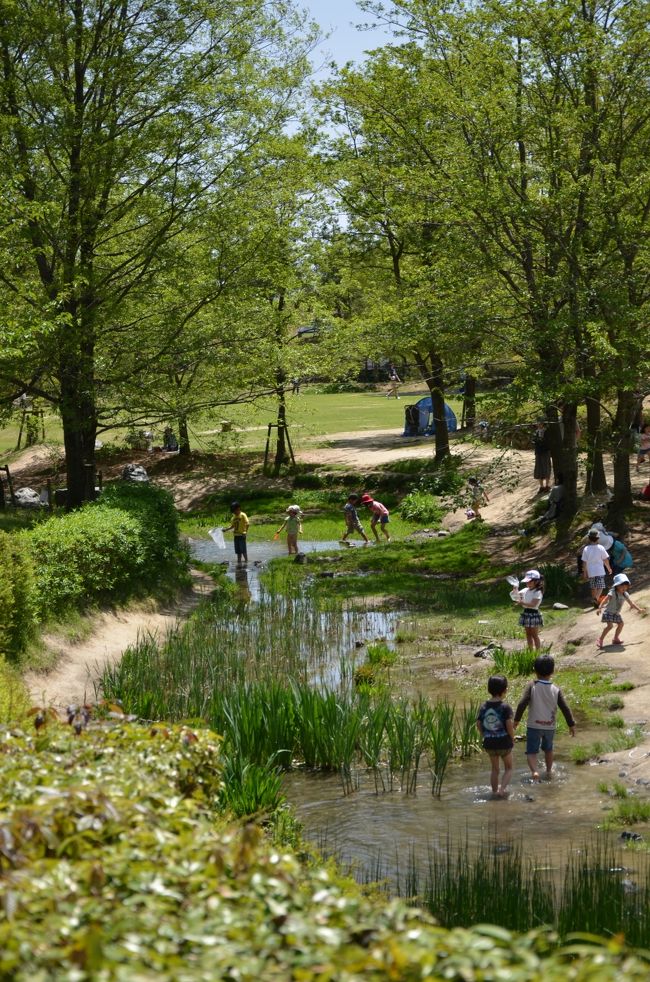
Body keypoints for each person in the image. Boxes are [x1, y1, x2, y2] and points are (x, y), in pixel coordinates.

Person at [514, 654, 576, 782]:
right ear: (552, 671)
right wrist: (571, 724)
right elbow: (565, 707)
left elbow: (522, 703)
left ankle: (535, 771)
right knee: (548, 749)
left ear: (535, 671)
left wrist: (516, 720)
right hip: (549, 726)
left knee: (532, 751)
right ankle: (548, 771)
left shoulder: (532, 686)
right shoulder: (556, 689)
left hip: (534, 726)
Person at [476, 675, 515, 798]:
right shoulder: (505, 707)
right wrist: (512, 736)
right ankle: (502, 790)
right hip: (504, 742)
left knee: (495, 769)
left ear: (489, 689)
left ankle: (494, 792)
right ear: (504, 690)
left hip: (490, 743)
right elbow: (509, 724)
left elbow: (478, 723)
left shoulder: (483, 707)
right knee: (509, 768)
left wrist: (485, 734)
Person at [596, 573, 645, 648]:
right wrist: (600, 607)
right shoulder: (612, 592)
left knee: (621, 624)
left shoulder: (625, 594)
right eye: (622, 586)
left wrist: (639, 609)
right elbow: (605, 600)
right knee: (610, 626)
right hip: (608, 612)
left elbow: (631, 603)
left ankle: (615, 638)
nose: (624, 588)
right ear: (617, 585)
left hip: (616, 613)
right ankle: (600, 639)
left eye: (626, 587)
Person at [512, 569, 544, 650]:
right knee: (528, 634)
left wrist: (521, 602)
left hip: (534, 614)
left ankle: (538, 652)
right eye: (527, 582)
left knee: (534, 635)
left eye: (530, 581)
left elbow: (533, 604)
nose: (528, 583)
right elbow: (515, 596)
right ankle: (530, 651)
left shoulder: (537, 592)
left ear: (536, 581)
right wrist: (515, 587)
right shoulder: (525, 590)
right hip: (526, 614)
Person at [581, 528, 612, 606]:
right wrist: (609, 568)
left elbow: (584, 562)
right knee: (601, 587)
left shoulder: (586, 549)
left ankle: (595, 601)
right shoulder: (601, 547)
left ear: (589, 538)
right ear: (598, 538)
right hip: (600, 571)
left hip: (591, 572)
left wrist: (585, 572)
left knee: (593, 587)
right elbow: (605, 559)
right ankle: (596, 598)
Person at [222, 500, 249, 564]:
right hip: (236, 536)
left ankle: (246, 562)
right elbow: (232, 526)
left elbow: (247, 524)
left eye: (235, 511)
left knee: (243, 550)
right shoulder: (233, 518)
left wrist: (245, 532)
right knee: (238, 551)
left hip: (242, 536)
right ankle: (239, 562)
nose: (234, 513)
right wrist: (226, 529)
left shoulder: (243, 515)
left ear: (238, 508)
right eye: (233, 512)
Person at [532, 419, 551, 492]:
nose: (538, 424)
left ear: (543, 424)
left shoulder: (547, 432)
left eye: (540, 423)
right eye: (537, 423)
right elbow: (534, 441)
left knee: (546, 467)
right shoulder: (535, 432)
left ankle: (547, 485)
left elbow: (547, 442)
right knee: (538, 468)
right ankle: (541, 486)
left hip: (545, 452)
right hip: (538, 452)